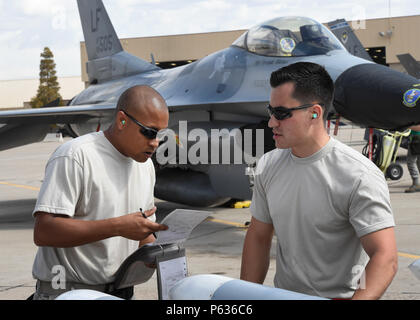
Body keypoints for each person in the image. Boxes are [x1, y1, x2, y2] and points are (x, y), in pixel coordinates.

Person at [240, 62, 397, 300]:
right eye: (270, 111)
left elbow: (385, 256)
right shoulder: (268, 165)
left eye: (281, 113)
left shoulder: (358, 175)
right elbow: (258, 236)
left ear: (315, 113)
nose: (272, 122)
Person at [31, 85, 169, 300]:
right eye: (149, 132)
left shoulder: (145, 166)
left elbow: (141, 234)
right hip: (69, 293)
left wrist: (157, 251)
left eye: (160, 133)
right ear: (122, 120)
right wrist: (117, 227)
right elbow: (44, 231)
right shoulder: (76, 156)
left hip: (120, 292)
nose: (155, 142)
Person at [405, 125, 420, 193]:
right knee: (418, 162)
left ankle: (416, 183)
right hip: (416, 138)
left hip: (417, 139)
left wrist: (407, 126)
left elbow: (418, 127)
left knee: (411, 162)